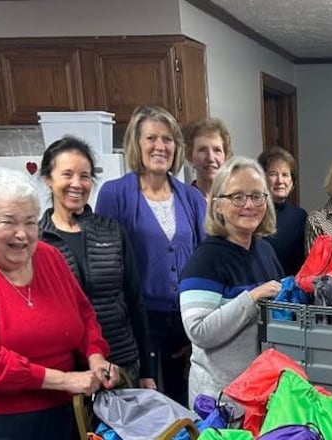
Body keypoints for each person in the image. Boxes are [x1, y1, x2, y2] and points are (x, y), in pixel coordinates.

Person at [0, 167, 118, 439]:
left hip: (57, 408)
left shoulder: (49, 257)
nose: (22, 235)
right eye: (8, 222)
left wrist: (95, 355)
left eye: (30, 222)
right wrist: (65, 380)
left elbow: (83, 314)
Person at [96, 104, 206, 405]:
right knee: (147, 408)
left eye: (168, 139)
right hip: (137, 323)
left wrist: (195, 334)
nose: (160, 146)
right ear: (136, 143)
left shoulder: (192, 198)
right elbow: (104, 264)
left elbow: (204, 261)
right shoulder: (114, 194)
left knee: (185, 404)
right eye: (151, 138)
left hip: (185, 320)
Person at [38, 136, 155, 389]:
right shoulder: (37, 241)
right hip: (67, 373)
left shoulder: (112, 232)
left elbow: (135, 302)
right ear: (48, 179)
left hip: (122, 362)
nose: (77, 184)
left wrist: (147, 370)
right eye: (67, 174)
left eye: (85, 176)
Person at [179, 156, 284, 406]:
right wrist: (252, 298)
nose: (249, 204)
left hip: (263, 393)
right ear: (217, 206)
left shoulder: (265, 251)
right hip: (221, 403)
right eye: (237, 196)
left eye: (257, 196)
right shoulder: (205, 259)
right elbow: (199, 331)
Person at [257, 147, 308, 276]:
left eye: (285, 175)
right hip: (258, 289)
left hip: (291, 291)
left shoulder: (300, 217)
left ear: (292, 182)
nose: (280, 181)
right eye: (273, 174)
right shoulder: (252, 214)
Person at [183, 117, 233, 197]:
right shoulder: (185, 201)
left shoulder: (235, 200)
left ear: (225, 156)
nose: (210, 158)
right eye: (202, 150)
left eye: (217, 150)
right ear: (190, 156)